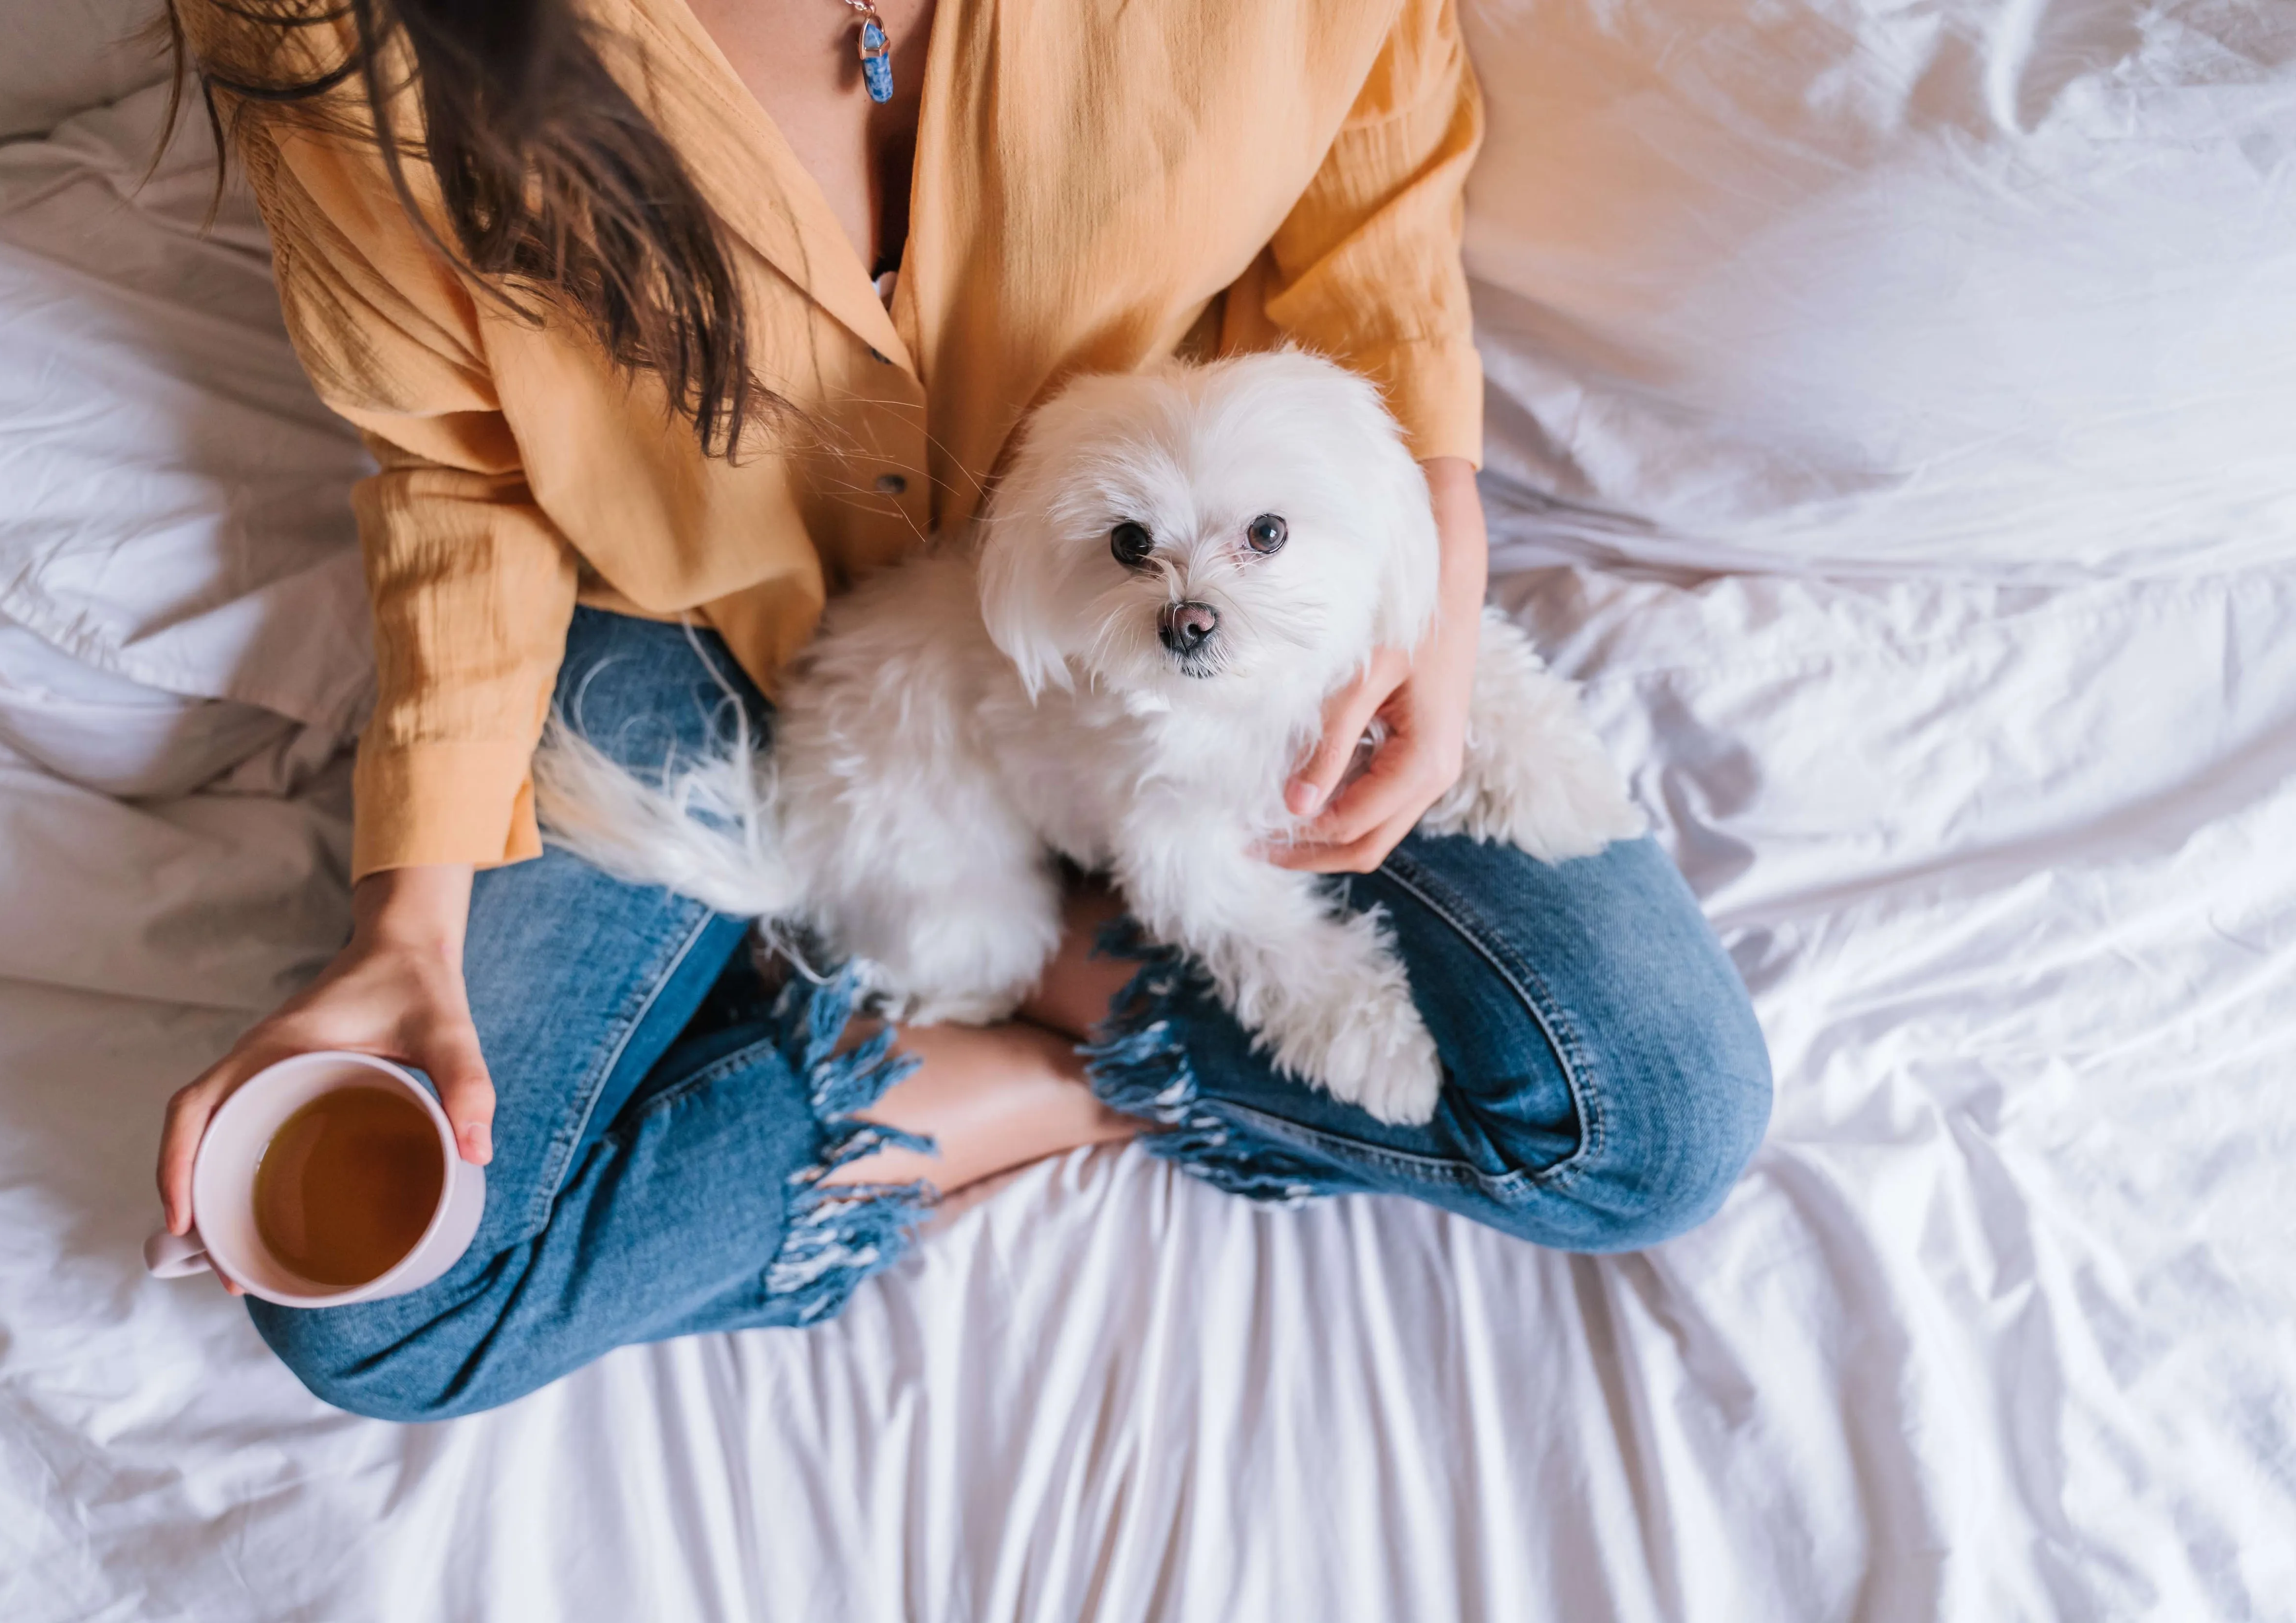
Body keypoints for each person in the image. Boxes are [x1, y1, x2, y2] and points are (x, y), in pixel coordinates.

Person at [155, 0, 1771, 1422]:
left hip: (1209, 566)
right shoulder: (328, 21)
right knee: (370, 1301)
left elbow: (1372, 161)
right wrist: (411, 920)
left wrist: (1424, 562)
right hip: (689, 611)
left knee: (1653, 1114)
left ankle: (1061, 1011)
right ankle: (1049, 1064)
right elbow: (462, 465)